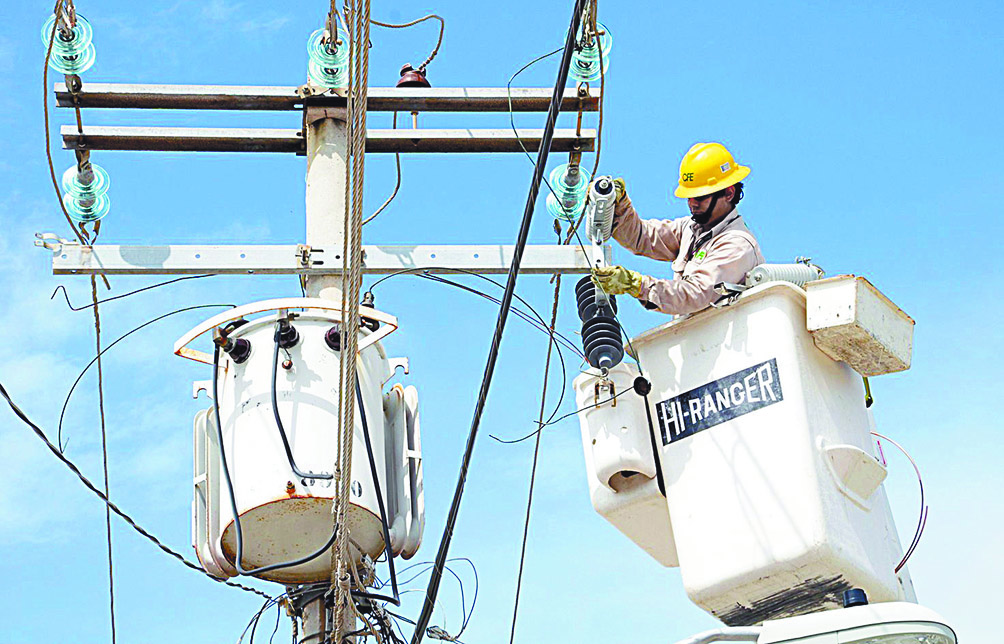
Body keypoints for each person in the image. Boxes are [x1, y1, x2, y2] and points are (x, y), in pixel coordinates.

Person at [591, 142, 765, 315]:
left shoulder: (736, 244)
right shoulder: (691, 229)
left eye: (700, 197)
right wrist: (618, 204)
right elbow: (641, 237)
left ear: (728, 193)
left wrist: (638, 285)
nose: (692, 203)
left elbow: (695, 294)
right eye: (689, 197)